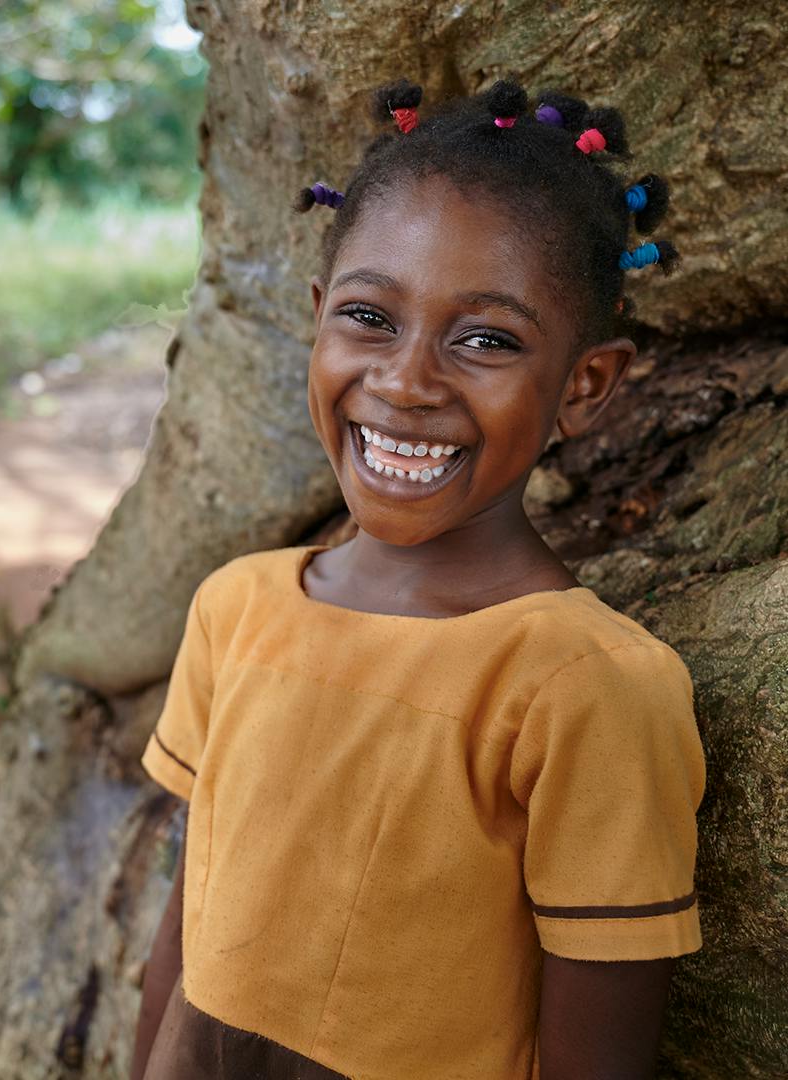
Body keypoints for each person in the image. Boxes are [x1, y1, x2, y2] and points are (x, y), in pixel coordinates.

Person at [129, 76, 705, 1080]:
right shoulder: (237, 608)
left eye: (485, 339)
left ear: (586, 384)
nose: (405, 382)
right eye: (369, 318)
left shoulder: (587, 684)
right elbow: (179, 939)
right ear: (317, 320)